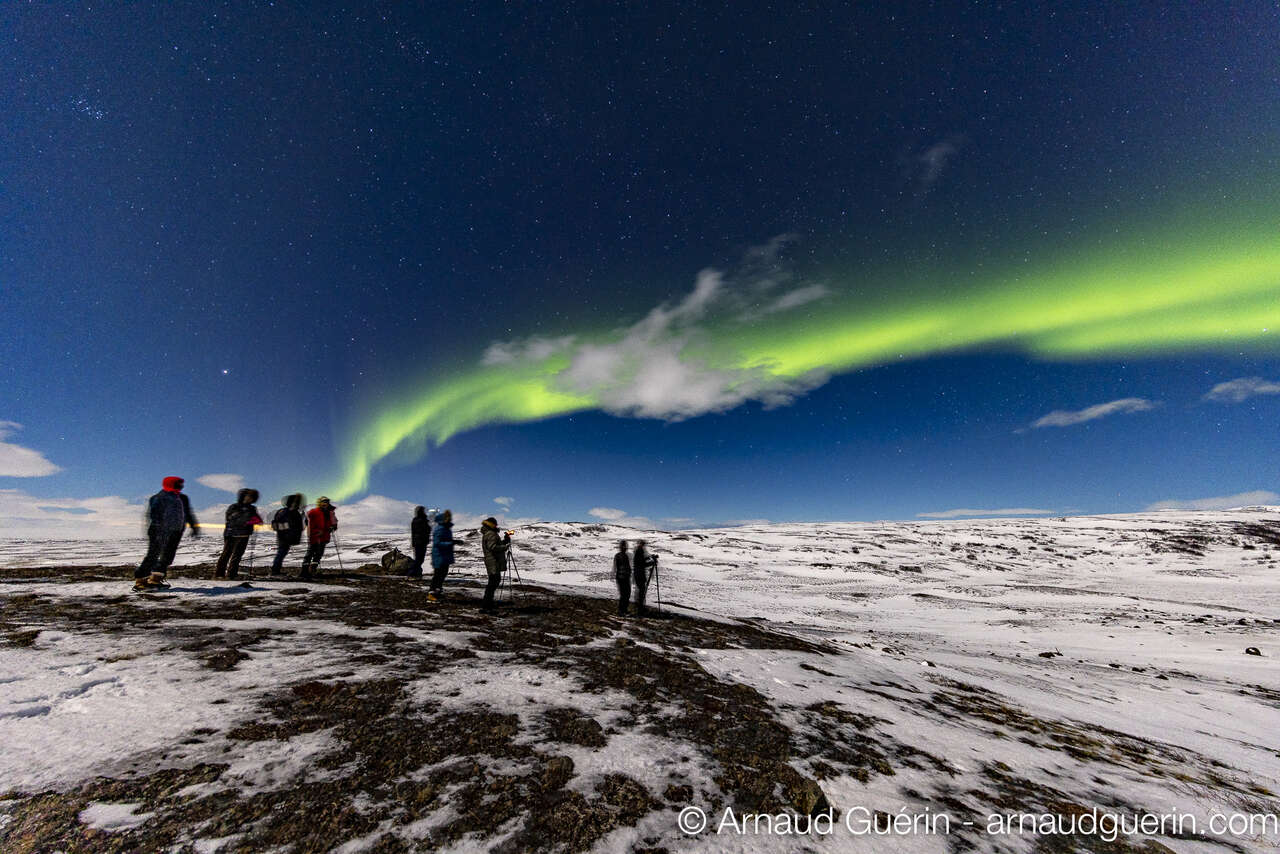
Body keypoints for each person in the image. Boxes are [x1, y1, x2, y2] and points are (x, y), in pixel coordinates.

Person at [134, 475, 200, 590]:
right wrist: (160, 530)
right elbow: (154, 515)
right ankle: (141, 581)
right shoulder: (158, 498)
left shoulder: (183, 498)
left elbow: (188, 513)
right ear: (170, 484)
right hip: (158, 531)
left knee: (168, 557)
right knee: (153, 556)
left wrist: (194, 526)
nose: (181, 486)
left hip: (176, 531)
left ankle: (155, 579)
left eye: (181, 484)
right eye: (178, 484)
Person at [215, 488, 262, 579]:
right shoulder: (234, 507)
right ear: (243, 496)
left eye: (252, 497)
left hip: (244, 534)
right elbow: (230, 519)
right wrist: (248, 521)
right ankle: (219, 574)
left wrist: (253, 521)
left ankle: (231, 574)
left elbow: (257, 519)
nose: (250, 499)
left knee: (238, 555)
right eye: (249, 496)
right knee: (227, 554)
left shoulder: (252, 508)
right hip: (232, 534)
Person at [300, 497, 338, 580]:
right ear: (319, 503)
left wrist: (333, 527)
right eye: (323, 502)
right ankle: (304, 571)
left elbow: (334, 523)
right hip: (314, 536)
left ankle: (312, 570)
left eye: (327, 502)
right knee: (310, 554)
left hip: (323, 536)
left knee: (318, 554)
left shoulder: (330, 513)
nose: (325, 504)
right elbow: (307, 522)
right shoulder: (313, 512)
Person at [480, 516, 511, 613]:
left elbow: (494, 544)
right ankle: (487, 606)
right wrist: (505, 547)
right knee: (493, 583)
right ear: (492, 525)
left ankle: (487, 604)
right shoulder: (491, 534)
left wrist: (504, 541)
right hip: (493, 561)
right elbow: (492, 547)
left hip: (492, 561)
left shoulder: (488, 533)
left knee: (493, 582)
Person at [270, 493, 305, 576]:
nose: (296, 504)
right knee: (281, 553)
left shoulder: (294, 513)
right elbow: (276, 525)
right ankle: (275, 571)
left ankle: (276, 570)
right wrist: (288, 528)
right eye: (294, 502)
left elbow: (298, 526)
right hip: (284, 537)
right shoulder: (285, 512)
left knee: (282, 553)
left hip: (287, 537)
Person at [429, 509, 454, 600]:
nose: (450, 520)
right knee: (438, 575)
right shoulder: (440, 529)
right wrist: (451, 543)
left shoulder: (446, 529)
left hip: (445, 556)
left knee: (442, 575)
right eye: (448, 518)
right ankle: (431, 594)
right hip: (439, 556)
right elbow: (437, 543)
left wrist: (451, 542)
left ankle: (437, 592)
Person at [410, 506, 431, 579]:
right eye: (423, 511)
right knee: (419, 559)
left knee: (419, 559)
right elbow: (425, 530)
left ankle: (416, 573)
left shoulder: (417, 520)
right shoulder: (420, 520)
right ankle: (412, 573)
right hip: (420, 542)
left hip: (419, 542)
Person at [632, 540, 651, 617]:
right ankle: (640, 609)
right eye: (643, 545)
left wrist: (649, 558)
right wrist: (651, 562)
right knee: (641, 592)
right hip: (640, 575)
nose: (644, 547)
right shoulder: (639, 551)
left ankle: (641, 607)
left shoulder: (638, 551)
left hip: (639, 574)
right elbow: (642, 564)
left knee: (641, 592)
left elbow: (641, 561)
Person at [613, 539, 632, 616]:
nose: (625, 547)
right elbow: (620, 567)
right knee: (624, 594)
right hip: (622, 577)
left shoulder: (622, 555)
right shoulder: (620, 556)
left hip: (623, 577)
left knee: (626, 594)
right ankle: (621, 611)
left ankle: (624, 610)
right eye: (624, 546)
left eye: (625, 546)